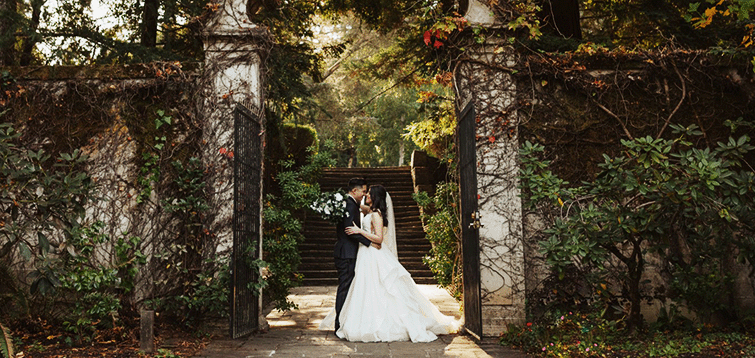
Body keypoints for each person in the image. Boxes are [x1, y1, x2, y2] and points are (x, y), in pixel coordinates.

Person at [320, 185, 459, 342]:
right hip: (365, 254)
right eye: (365, 192)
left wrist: (360, 231)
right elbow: (355, 205)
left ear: (376, 196)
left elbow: (379, 239)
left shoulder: (377, 215)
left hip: (373, 252)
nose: (366, 194)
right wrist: (336, 202)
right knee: (365, 287)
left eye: (369, 193)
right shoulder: (369, 211)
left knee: (380, 287)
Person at [332, 178, 379, 333]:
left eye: (366, 192)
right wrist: (369, 242)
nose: (364, 194)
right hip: (346, 253)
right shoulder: (349, 205)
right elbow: (349, 229)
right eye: (363, 191)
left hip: (347, 251)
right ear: (354, 191)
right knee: (344, 288)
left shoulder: (352, 204)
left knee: (347, 287)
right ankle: (339, 324)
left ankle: (344, 321)